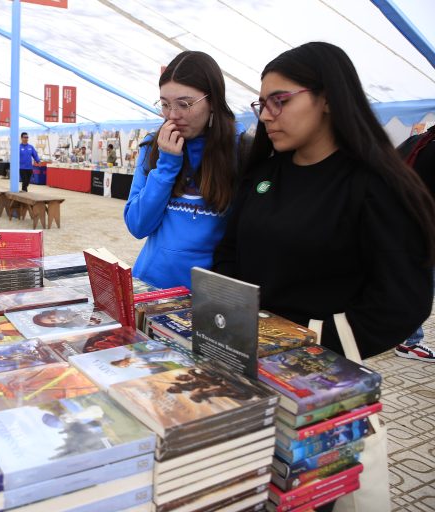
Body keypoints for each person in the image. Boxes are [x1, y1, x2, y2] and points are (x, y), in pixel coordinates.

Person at [213, 42, 435, 360]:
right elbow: (228, 249)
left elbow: (400, 304)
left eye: (280, 101)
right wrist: (231, 312)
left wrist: (310, 343)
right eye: (261, 104)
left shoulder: (377, 186)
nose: (265, 116)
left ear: (328, 98)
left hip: (314, 369)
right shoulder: (263, 173)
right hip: (242, 348)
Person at [124, 50, 240, 289]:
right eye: (165, 105)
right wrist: (167, 165)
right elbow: (137, 226)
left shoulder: (239, 150)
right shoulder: (152, 146)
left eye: (185, 104)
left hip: (207, 295)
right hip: (149, 285)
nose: (173, 116)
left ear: (213, 101)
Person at [393, 124, 435, 362]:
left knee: (409, 282)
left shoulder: (417, 142)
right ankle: (409, 341)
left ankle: (405, 336)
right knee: (421, 286)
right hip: (422, 230)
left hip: (402, 225)